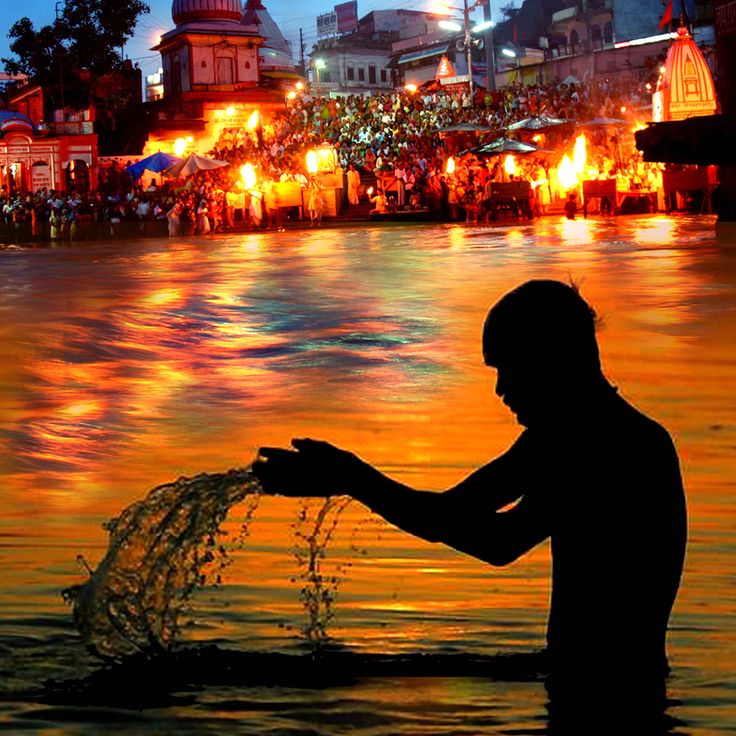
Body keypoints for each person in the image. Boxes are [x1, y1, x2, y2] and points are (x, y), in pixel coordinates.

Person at [253, 280, 687, 724]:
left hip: (609, 697)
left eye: (509, 368)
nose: (501, 389)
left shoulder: (606, 444)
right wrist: (351, 479)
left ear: (550, 358)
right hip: (606, 684)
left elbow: (496, 541)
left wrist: (354, 478)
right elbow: (454, 513)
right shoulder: (575, 437)